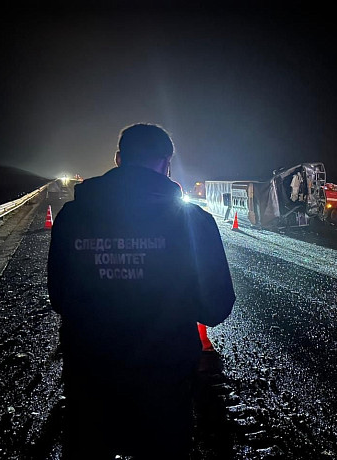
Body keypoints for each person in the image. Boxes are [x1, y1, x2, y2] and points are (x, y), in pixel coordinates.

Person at [47, 123, 236, 459]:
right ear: (166, 164)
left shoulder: (72, 216)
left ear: (119, 159)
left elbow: (59, 296)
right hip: (164, 382)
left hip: (90, 377)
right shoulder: (194, 222)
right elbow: (216, 306)